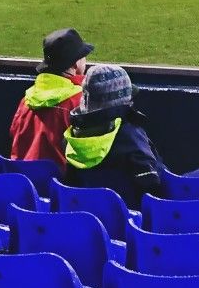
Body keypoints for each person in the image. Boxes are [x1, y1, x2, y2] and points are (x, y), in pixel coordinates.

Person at [63, 64, 169, 205]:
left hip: (86, 219)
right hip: (131, 220)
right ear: (124, 100)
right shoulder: (131, 137)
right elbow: (155, 187)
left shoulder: (71, 139)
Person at [7, 29, 93, 164]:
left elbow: (13, 136)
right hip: (59, 182)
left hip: (23, 181)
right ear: (75, 63)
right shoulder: (78, 101)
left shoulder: (26, 101)